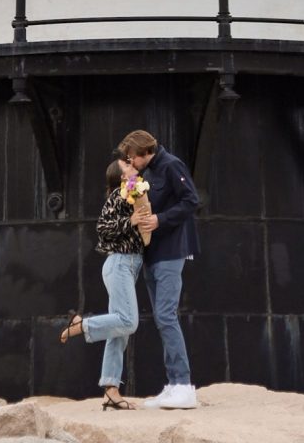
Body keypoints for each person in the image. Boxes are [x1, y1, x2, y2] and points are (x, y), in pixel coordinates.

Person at [118, 129, 200, 410]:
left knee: (166, 315)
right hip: (153, 252)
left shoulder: (171, 165)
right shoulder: (147, 172)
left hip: (171, 251)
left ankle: (183, 385)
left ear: (144, 152)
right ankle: (174, 384)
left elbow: (191, 201)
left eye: (133, 158)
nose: (132, 162)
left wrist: (160, 219)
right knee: (162, 317)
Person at [59, 158, 144, 410]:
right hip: (120, 264)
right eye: (126, 166)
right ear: (121, 177)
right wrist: (132, 221)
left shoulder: (132, 191)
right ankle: (82, 325)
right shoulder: (120, 194)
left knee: (120, 330)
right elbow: (103, 228)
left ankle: (110, 390)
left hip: (126, 265)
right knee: (129, 321)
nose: (131, 165)